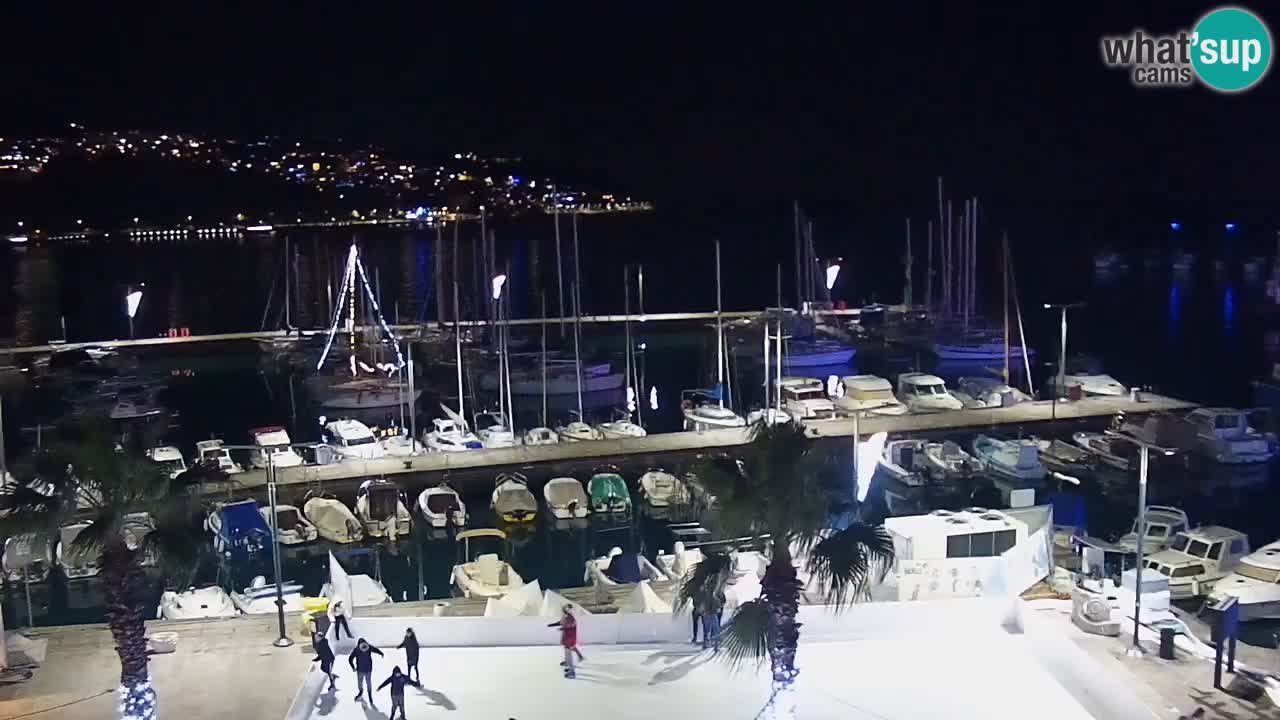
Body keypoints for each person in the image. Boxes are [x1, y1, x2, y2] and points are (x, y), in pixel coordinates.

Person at [548, 604, 582, 678]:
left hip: (570, 638)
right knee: (567, 653)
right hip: (566, 638)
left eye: (568, 609)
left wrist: (563, 628)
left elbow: (570, 625)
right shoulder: (565, 617)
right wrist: (552, 625)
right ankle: (569, 665)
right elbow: (561, 622)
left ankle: (572, 671)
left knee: (568, 654)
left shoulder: (571, 618)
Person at [348, 638, 384, 702]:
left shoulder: (362, 648)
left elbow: (350, 659)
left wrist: (380, 653)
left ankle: (366, 693)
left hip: (365, 670)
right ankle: (364, 693)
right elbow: (350, 658)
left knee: (364, 682)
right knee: (364, 682)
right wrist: (381, 653)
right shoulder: (359, 649)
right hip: (363, 670)